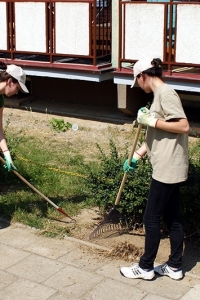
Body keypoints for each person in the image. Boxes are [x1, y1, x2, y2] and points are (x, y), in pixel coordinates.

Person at [120, 58, 189, 281]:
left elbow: (183, 126)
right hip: (170, 165)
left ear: (143, 76)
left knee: (151, 217)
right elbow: (157, 134)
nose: (139, 86)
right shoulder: (159, 96)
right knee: (173, 218)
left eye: (138, 81)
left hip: (168, 167)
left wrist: (152, 122)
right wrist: (137, 156)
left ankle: (146, 267)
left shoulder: (166, 94)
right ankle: (175, 266)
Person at [0, 61, 29, 171]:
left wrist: (7, 154)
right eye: (17, 88)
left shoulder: (0, 99)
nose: (17, 93)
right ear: (10, 81)